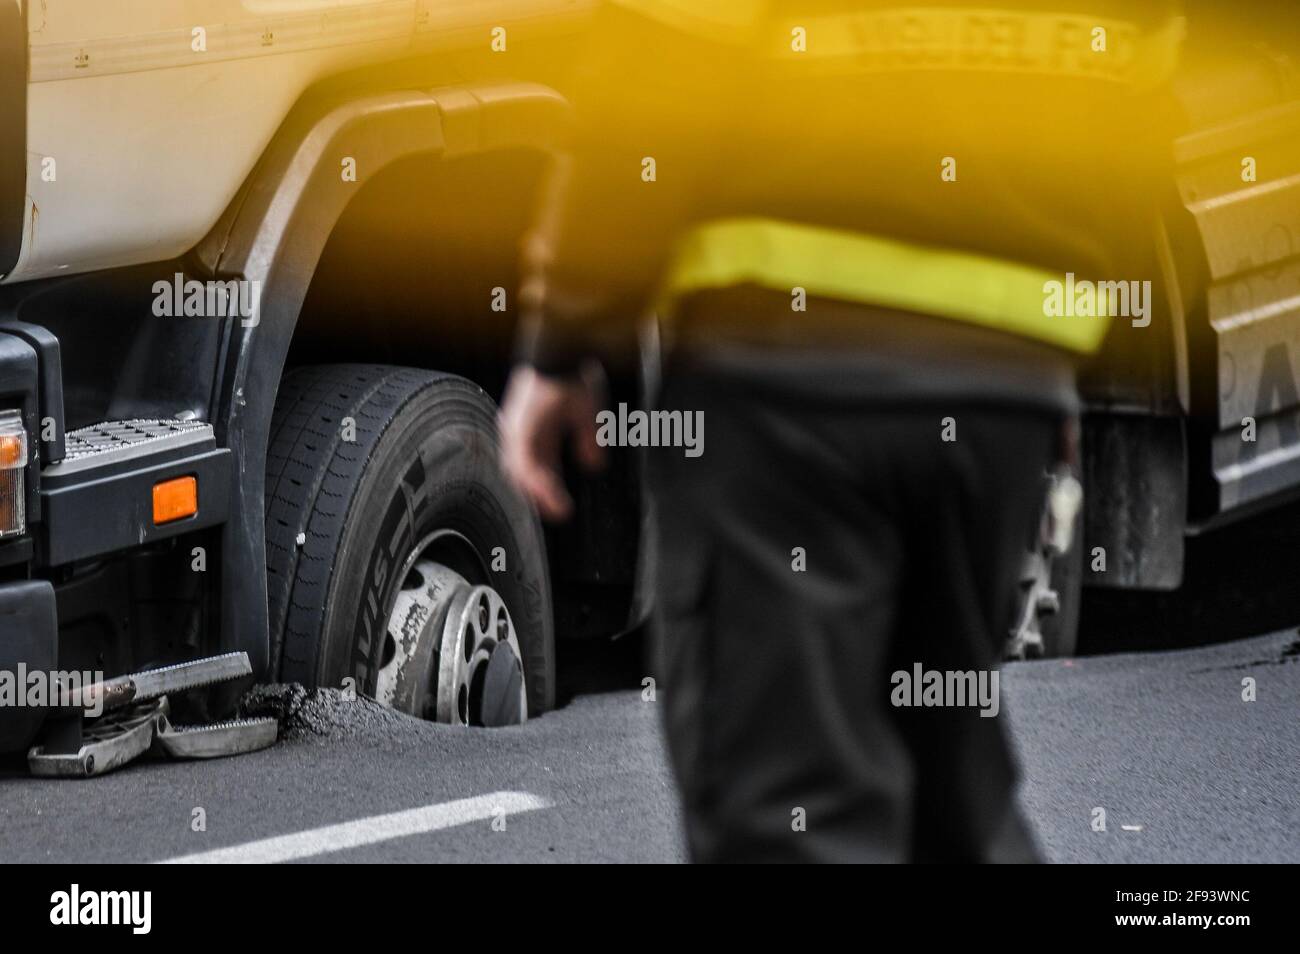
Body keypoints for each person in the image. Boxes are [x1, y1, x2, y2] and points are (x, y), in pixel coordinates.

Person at [499, 0, 1183, 861]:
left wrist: (563, 336)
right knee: (949, 781)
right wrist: (1057, 357)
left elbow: (657, 58)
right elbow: (1145, 86)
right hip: (997, 379)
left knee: (794, 809)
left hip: (788, 378)